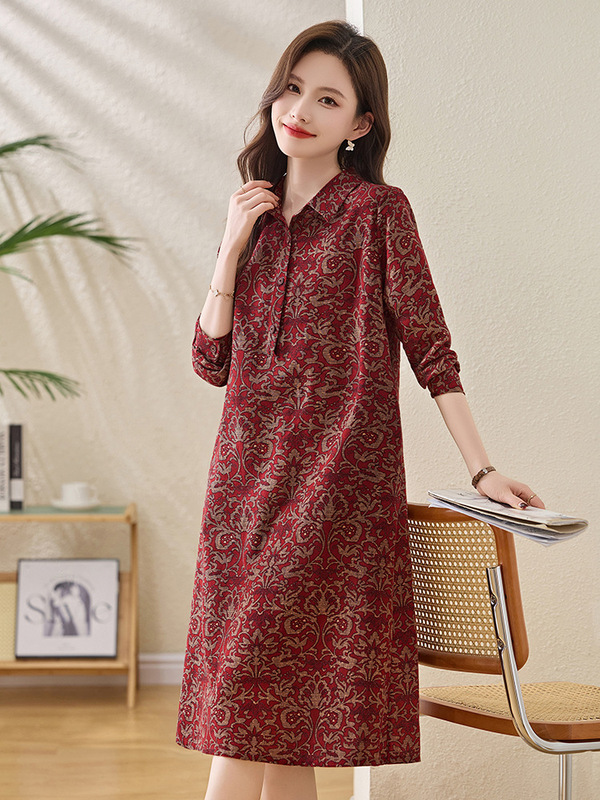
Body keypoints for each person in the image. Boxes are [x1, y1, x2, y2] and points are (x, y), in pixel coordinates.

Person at [176, 19, 544, 800]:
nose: (299, 109)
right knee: (282, 730)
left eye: (327, 98)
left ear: (359, 124)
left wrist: (482, 469)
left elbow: (432, 349)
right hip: (240, 494)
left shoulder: (378, 212)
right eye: (292, 88)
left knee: (244, 706)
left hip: (333, 493)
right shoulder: (252, 218)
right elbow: (211, 362)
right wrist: (231, 247)